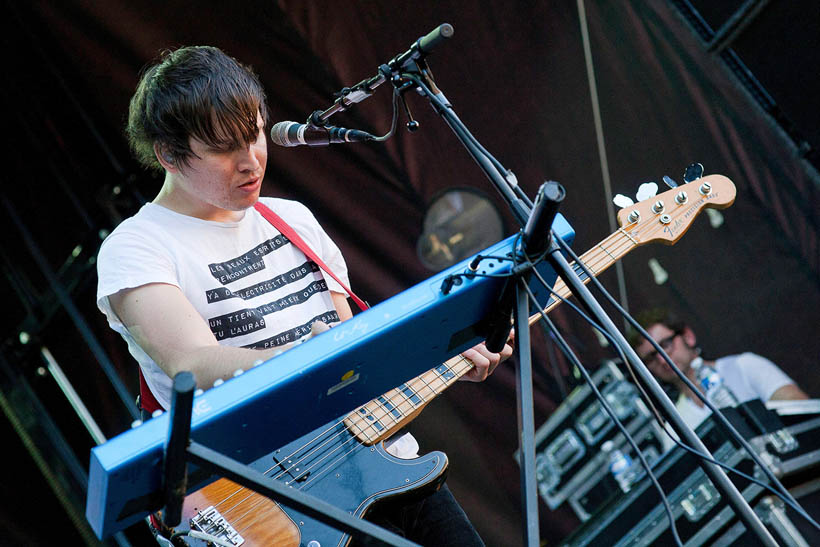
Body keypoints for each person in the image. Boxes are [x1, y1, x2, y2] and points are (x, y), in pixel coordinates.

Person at [96, 45, 512, 545]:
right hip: (275, 507)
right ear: (169, 155)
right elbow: (192, 364)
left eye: (254, 133)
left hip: (388, 464)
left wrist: (438, 353)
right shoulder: (135, 246)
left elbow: (357, 369)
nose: (250, 161)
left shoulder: (292, 219)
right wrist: (307, 356)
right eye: (225, 148)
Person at [631, 308, 808, 432]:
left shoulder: (744, 366)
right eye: (650, 357)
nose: (662, 359)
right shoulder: (675, 426)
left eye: (665, 345)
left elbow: (803, 414)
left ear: (688, 336)